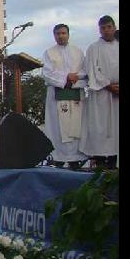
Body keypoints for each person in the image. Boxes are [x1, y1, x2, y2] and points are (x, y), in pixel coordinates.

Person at [42, 24, 88, 170]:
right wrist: (66, 77)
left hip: (75, 94)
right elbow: (47, 74)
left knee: (76, 126)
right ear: (53, 35)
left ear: (68, 34)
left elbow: (84, 71)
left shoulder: (78, 52)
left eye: (63, 33)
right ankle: (59, 158)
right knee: (57, 127)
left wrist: (75, 77)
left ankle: (75, 159)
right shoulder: (49, 53)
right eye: (57, 33)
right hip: (57, 94)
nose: (60, 36)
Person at [79, 15, 119, 169]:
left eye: (109, 27)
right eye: (103, 28)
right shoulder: (93, 48)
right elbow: (92, 70)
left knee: (116, 127)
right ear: (100, 30)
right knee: (100, 127)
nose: (107, 30)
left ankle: (114, 162)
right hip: (101, 93)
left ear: (114, 27)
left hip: (117, 94)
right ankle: (100, 162)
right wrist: (108, 85)